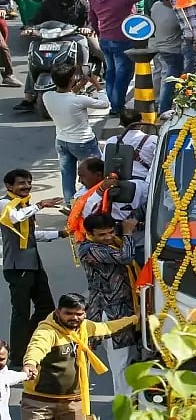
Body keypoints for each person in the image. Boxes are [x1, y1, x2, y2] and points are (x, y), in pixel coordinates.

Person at [20, 292, 137, 420]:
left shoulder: (86, 327)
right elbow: (36, 347)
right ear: (58, 312)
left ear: (85, 314)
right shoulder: (47, 331)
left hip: (73, 403)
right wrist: (30, 363)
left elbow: (108, 328)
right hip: (40, 403)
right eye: (68, 313)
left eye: (79, 314)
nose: (74, 318)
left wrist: (136, 319)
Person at [0, 170, 64, 366]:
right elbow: (17, 218)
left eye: (29, 183)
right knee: (21, 312)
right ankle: (17, 357)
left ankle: (28, 343)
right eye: (21, 183)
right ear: (9, 186)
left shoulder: (26, 205)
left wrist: (61, 233)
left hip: (34, 263)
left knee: (46, 307)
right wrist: (40, 205)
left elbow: (33, 235)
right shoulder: (6, 205)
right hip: (17, 266)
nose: (27, 186)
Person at [77, 213, 139, 399]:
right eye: (102, 235)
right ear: (90, 234)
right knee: (120, 363)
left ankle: (132, 400)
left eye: (111, 232)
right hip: (109, 312)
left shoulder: (112, 242)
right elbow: (125, 257)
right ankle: (124, 406)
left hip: (125, 310)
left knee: (129, 358)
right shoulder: (90, 249)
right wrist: (128, 233)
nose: (108, 237)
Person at [88, 0, 163, 113]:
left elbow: (92, 19)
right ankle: (117, 106)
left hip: (105, 40)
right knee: (123, 74)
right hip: (122, 41)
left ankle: (114, 103)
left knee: (110, 73)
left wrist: (100, 35)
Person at [42, 66, 108, 206]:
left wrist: (78, 86)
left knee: (67, 175)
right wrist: (96, 84)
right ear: (71, 79)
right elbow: (105, 104)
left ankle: (70, 204)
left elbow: (65, 97)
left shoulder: (47, 96)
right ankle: (93, 202)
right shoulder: (80, 100)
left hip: (61, 140)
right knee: (93, 174)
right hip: (83, 142)